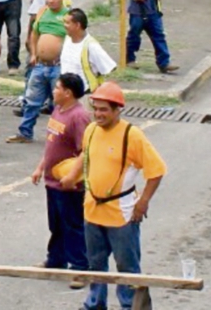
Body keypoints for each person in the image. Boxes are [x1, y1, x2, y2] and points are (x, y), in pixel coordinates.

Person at [60, 81, 167, 310]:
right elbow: (85, 156)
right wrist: (71, 176)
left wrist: (143, 203)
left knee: (127, 267)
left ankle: (130, 306)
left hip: (122, 214)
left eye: (104, 110)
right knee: (96, 264)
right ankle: (95, 303)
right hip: (92, 210)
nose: (98, 114)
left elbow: (156, 171)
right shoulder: (91, 130)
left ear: (118, 110)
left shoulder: (132, 136)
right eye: (95, 109)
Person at [30, 73, 91, 279]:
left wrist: (73, 177)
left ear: (68, 92)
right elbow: (51, 145)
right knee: (56, 223)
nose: (54, 90)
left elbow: (85, 151)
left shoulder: (79, 116)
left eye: (57, 87)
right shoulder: (57, 109)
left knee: (73, 224)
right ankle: (56, 258)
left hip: (68, 184)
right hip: (52, 182)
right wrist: (40, 168)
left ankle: (80, 267)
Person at [12, 0, 71, 144]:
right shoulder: (42, 13)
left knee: (60, 104)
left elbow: (74, 38)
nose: (51, 1)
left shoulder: (68, 16)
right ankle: (25, 133)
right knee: (31, 101)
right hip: (40, 66)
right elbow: (34, 34)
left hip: (57, 66)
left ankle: (61, 137)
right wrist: (33, 53)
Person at [61, 9, 117, 95]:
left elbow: (110, 69)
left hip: (85, 95)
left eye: (67, 23)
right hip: (67, 94)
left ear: (77, 25)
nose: (64, 25)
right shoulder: (67, 39)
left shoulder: (91, 46)